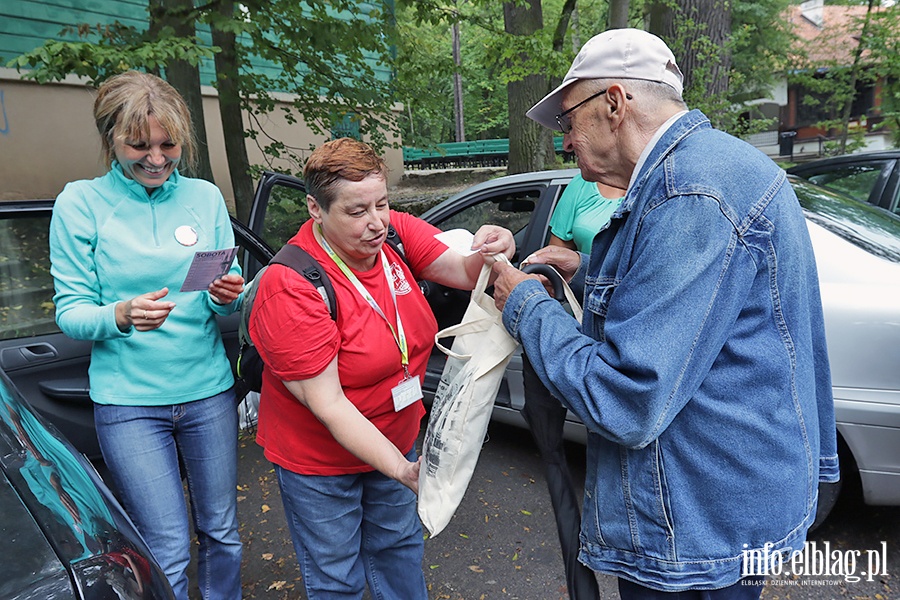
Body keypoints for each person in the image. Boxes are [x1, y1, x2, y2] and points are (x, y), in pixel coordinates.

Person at [491, 28, 839, 599]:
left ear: (614, 102)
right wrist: (589, 270)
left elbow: (627, 398)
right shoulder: (721, 168)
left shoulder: (689, 196)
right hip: (721, 512)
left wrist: (526, 305)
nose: (565, 142)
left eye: (567, 122)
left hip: (693, 530)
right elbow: (710, 311)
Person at [248, 137, 515, 599]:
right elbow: (329, 404)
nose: (375, 224)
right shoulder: (291, 286)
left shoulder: (394, 234)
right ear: (315, 208)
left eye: (383, 204)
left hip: (395, 437)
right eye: (356, 212)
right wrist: (401, 469)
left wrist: (496, 245)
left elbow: (466, 270)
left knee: (399, 553)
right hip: (321, 464)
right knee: (338, 578)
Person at [49, 70, 244, 600]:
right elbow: (71, 313)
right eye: (138, 144)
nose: (156, 158)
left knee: (222, 533)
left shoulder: (203, 198)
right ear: (110, 137)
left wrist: (227, 295)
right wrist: (121, 314)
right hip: (130, 404)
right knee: (167, 548)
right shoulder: (80, 204)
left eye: (168, 144)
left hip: (207, 392)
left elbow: (211, 294)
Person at [522, 172, 625, 600]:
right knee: (570, 455)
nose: (567, 142)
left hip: (627, 342)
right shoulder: (580, 186)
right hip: (577, 340)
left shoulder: (659, 183)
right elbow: (555, 260)